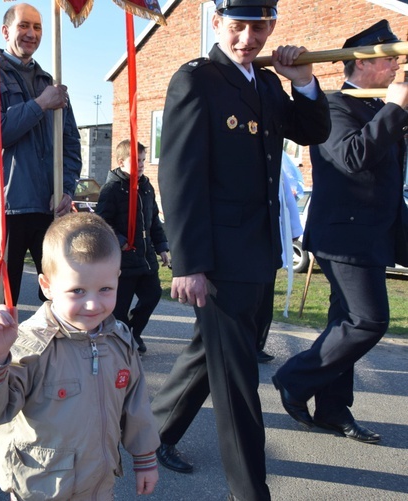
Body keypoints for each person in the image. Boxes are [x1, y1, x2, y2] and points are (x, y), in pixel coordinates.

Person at [150, 0, 331, 498]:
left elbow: (314, 130)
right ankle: (251, 491)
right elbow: (179, 176)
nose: (248, 38)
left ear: (272, 24)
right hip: (219, 259)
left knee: (210, 354)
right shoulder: (196, 80)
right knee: (238, 384)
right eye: (238, 26)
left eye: (259, 26)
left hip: (258, 253)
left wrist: (305, 80)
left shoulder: (268, 83)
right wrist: (188, 264)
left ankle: (151, 435)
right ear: (217, 23)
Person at [273, 20, 408, 445]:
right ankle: (293, 379)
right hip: (343, 238)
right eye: (389, 59)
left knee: (343, 322)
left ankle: (333, 408)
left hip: (372, 236)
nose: (395, 67)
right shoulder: (335, 105)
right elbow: (352, 158)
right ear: (362, 64)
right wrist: (396, 110)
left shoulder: (378, 109)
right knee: (367, 321)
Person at [0, 212, 159, 500]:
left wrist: (145, 458)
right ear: (47, 286)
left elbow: (136, 405)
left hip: (99, 484)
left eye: (105, 289)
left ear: (118, 279)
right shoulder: (27, 345)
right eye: (77, 290)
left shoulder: (120, 341)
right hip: (42, 488)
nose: (92, 304)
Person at [0, 2, 82, 309]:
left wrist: (67, 187)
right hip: (6, 206)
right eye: (23, 26)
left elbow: (70, 144)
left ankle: (54, 354)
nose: (31, 33)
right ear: (5, 31)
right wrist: (40, 104)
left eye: (37, 27)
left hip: (48, 206)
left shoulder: (50, 81)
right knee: (3, 295)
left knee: (60, 290)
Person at [95, 140, 169, 355]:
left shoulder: (146, 186)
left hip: (145, 258)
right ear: (121, 162)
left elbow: (154, 220)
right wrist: (120, 240)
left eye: (144, 160)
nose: (143, 164)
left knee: (152, 295)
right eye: (137, 161)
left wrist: (162, 247)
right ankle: (119, 339)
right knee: (120, 307)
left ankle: (133, 333)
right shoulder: (112, 189)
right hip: (124, 260)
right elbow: (102, 221)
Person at [256, 163, 304, 363]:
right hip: (248, 236)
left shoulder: (280, 162)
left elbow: (289, 197)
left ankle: (257, 343)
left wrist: (293, 230)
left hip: (270, 236)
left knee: (265, 296)